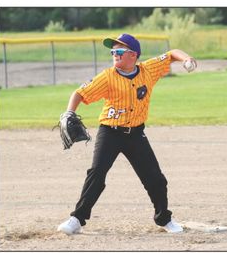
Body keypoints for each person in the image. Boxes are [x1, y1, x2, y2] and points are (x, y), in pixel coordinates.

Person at [56, 34, 197, 235]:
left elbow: (172, 53)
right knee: (96, 174)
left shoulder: (148, 70)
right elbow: (79, 93)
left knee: (155, 179)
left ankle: (164, 219)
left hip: (136, 134)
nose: (114, 54)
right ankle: (77, 219)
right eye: (112, 51)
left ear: (133, 55)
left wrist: (187, 59)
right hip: (110, 132)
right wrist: (69, 112)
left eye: (119, 51)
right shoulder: (107, 76)